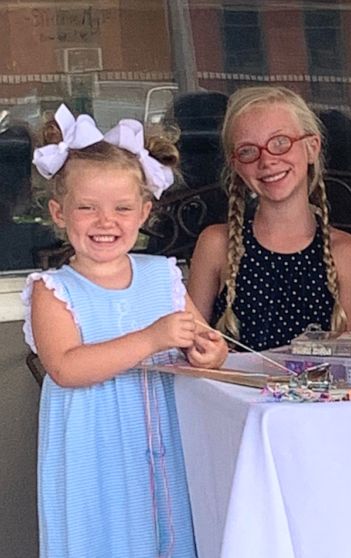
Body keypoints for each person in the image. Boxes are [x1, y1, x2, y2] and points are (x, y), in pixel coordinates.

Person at [23, 105, 228, 556]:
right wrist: (151, 339)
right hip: (95, 449)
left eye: (121, 208)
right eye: (87, 208)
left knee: (169, 532)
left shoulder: (163, 276)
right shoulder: (53, 290)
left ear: (144, 212)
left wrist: (209, 352)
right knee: (107, 535)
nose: (105, 222)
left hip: (162, 440)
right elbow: (66, 368)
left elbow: (201, 343)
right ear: (59, 213)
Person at [188, 86, 351, 351]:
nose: (267, 160)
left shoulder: (346, 252)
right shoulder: (216, 244)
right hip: (232, 391)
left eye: (280, 142)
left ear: (311, 147)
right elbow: (191, 347)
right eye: (248, 151)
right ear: (236, 165)